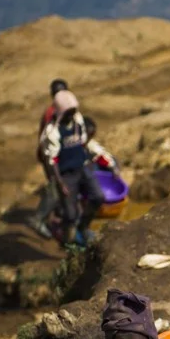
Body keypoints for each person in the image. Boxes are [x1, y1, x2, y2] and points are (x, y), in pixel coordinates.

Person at [38, 89, 109, 247]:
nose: (72, 114)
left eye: (73, 111)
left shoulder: (77, 121)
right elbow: (52, 159)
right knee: (70, 213)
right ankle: (67, 240)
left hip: (83, 168)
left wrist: (97, 160)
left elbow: (84, 142)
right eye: (68, 112)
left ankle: (83, 227)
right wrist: (60, 182)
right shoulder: (53, 132)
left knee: (98, 197)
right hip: (67, 174)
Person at [32, 78, 70, 236]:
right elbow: (49, 140)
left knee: (61, 189)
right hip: (52, 157)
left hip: (57, 156)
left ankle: (56, 219)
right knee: (55, 189)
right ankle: (38, 219)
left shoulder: (62, 110)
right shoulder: (52, 113)